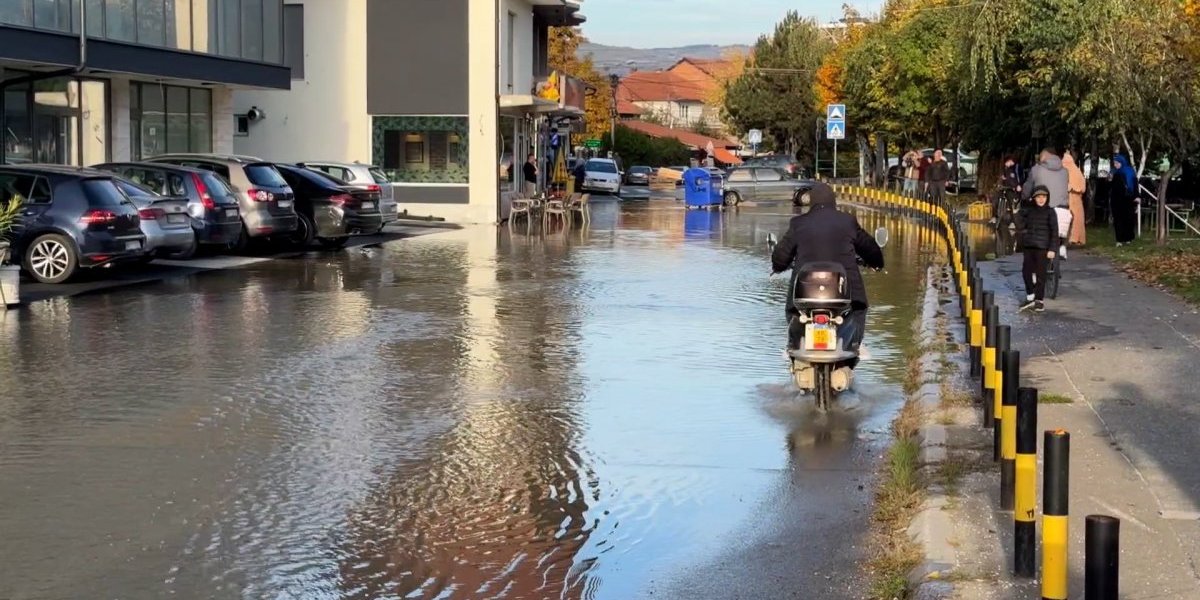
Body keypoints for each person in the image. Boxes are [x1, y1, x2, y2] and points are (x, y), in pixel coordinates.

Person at [770, 182, 886, 354]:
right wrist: (877, 262)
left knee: (793, 310)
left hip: (805, 296)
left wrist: (778, 266)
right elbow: (870, 248)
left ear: (811, 202)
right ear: (834, 201)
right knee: (858, 309)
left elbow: (780, 258)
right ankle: (853, 345)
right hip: (846, 291)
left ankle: (795, 346)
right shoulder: (847, 221)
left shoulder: (798, 223)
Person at [1015, 185, 1059, 312]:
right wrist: (1017, 214)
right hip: (1029, 246)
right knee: (1026, 272)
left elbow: (1054, 232)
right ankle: (1030, 296)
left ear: (1047, 198)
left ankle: (1039, 300)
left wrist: (1052, 249)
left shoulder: (1050, 212)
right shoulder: (1029, 210)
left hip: (1043, 247)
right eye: (1038, 197)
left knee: (1041, 275)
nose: (1041, 200)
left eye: (1043, 197)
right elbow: (1020, 225)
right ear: (1034, 198)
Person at [1111, 153, 1138, 245]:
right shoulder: (1126, 172)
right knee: (1123, 220)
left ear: (1121, 162)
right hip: (1123, 201)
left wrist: (1136, 196)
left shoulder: (1123, 173)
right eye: (1114, 163)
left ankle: (1124, 239)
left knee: (1124, 220)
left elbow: (1135, 185)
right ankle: (1124, 239)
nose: (1115, 165)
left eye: (1117, 163)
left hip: (1124, 201)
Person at [1062, 151, 1086, 246]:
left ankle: (1074, 238)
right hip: (1075, 199)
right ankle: (1076, 238)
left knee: (1074, 219)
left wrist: (1072, 188)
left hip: (1073, 198)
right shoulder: (1076, 171)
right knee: (1076, 219)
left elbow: (1080, 187)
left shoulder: (1072, 171)